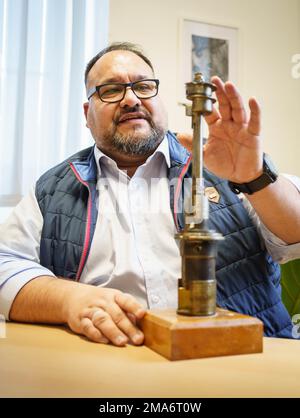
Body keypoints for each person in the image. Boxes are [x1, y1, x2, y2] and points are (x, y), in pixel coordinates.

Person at [0, 42, 299, 346]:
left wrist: (254, 178)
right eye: (111, 90)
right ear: (88, 113)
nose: (131, 99)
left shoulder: (223, 163)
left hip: (239, 363)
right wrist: (69, 299)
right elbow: (4, 264)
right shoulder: (52, 189)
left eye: (143, 86)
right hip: (106, 367)